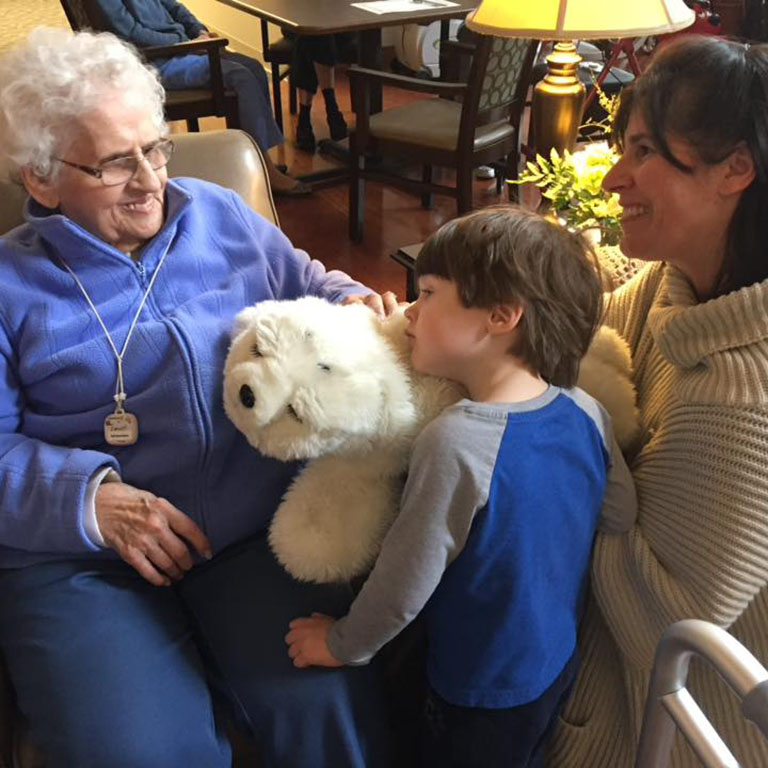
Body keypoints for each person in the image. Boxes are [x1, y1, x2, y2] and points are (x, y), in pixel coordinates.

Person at [0, 27, 397, 767]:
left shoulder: (218, 215)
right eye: (116, 163)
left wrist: (352, 305)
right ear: (41, 178)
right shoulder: (9, 286)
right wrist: (92, 501)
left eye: (156, 148)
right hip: (81, 560)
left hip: (253, 531)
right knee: (136, 752)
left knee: (334, 715)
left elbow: (310, 282)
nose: (150, 180)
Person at [285, 206, 638, 767]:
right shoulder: (587, 409)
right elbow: (620, 511)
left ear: (500, 317)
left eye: (426, 294)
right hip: (554, 663)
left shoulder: (455, 442)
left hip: (477, 686)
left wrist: (340, 644)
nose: (408, 314)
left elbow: (403, 584)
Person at [544, 36, 768, 767]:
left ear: (736, 168)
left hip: (659, 722)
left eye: (644, 152)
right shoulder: (683, 282)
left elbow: (660, 619)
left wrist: (583, 440)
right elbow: (591, 328)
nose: (613, 179)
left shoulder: (740, 399)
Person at [93, 0, 311, 195]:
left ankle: (258, 157)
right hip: (154, 61)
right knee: (241, 76)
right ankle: (268, 173)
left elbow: (175, 7)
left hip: (182, 48)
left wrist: (199, 30)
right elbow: (129, 31)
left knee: (254, 68)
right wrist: (184, 40)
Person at [291, 34, 352, 152]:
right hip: (298, 26)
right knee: (310, 34)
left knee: (311, 38)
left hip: (337, 29)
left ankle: (304, 117)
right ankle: (332, 109)